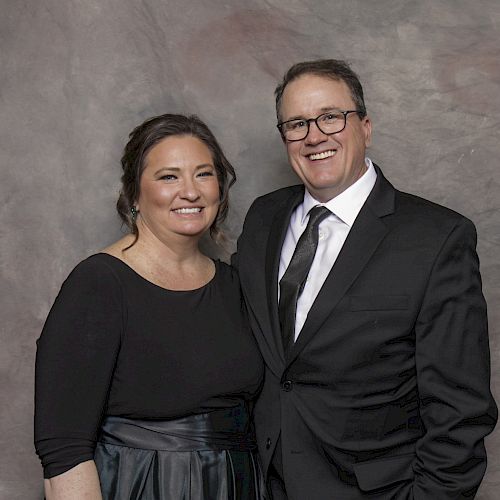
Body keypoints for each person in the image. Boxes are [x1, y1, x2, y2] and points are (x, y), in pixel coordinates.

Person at [232, 59, 497, 499]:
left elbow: (460, 412)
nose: (314, 135)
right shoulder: (263, 218)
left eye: (331, 117)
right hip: (262, 485)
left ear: (366, 127)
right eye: (297, 124)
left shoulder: (435, 239)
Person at [35, 113, 265, 500]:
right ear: (134, 194)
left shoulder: (235, 284)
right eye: (169, 176)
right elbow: (65, 451)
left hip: (238, 484)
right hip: (138, 485)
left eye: (204, 174)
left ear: (220, 190)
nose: (190, 192)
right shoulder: (99, 284)